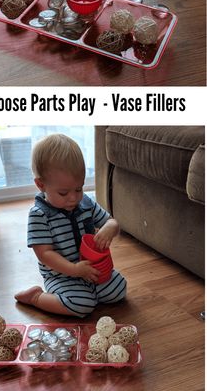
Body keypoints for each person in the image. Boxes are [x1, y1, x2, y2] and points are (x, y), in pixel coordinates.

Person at [15, 134, 127, 317]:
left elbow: (111, 222)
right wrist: (74, 270)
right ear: (40, 185)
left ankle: (89, 293)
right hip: (61, 274)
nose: (73, 198)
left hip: (91, 268)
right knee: (82, 305)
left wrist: (109, 228)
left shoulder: (86, 203)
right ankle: (36, 297)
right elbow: (44, 254)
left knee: (118, 289)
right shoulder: (39, 215)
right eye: (63, 192)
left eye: (79, 188)